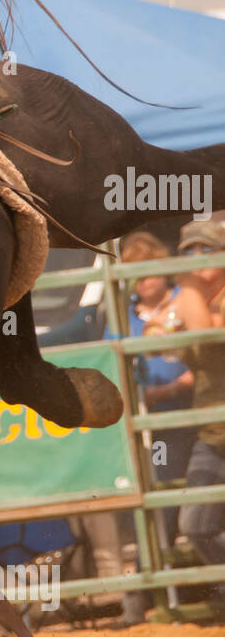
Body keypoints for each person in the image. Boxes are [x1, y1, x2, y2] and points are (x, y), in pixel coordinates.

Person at [119, 232, 196, 545]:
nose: (143, 280)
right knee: (162, 489)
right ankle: (156, 569)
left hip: (196, 412)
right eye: (134, 272)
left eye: (147, 269)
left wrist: (176, 387)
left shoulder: (188, 300)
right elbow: (115, 360)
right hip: (152, 424)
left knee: (198, 489)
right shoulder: (123, 315)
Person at [173, 214, 225, 609]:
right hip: (212, 432)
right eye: (188, 251)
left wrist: (188, 287)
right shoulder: (193, 299)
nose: (196, 257)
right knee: (195, 526)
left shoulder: (192, 296)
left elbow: (205, 339)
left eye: (206, 249)